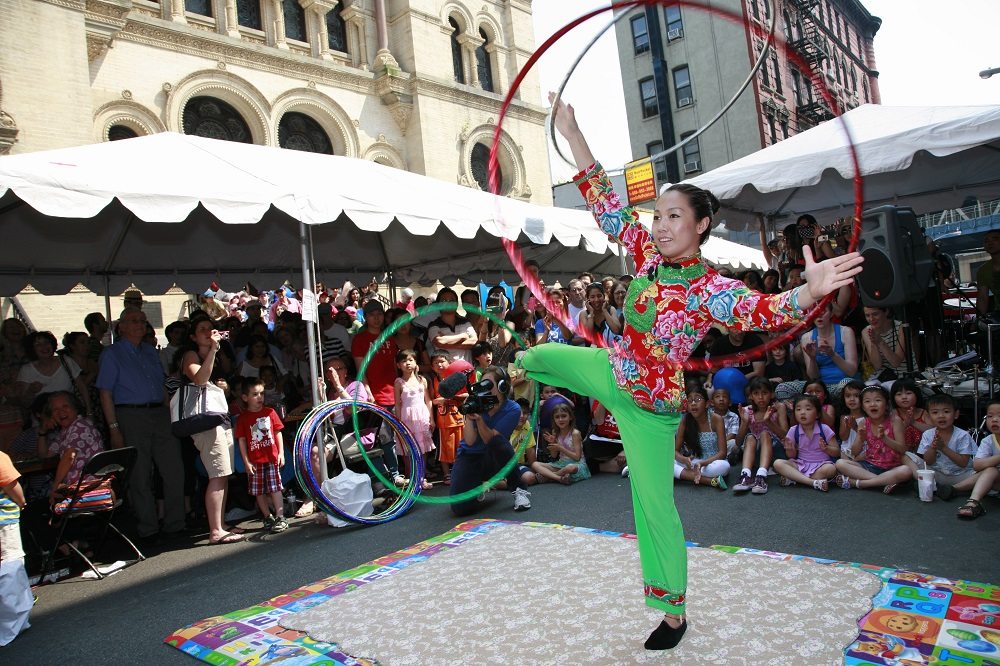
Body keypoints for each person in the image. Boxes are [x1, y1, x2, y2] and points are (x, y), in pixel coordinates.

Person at [519, 94, 863, 650]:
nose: (659, 224)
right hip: (613, 369)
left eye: (673, 215)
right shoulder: (645, 256)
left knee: (653, 507)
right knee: (537, 356)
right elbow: (603, 200)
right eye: (656, 214)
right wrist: (571, 128)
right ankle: (510, 376)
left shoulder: (711, 289)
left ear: (701, 225)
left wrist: (808, 291)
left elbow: (762, 311)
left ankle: (673, 614)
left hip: (653, 407)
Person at [96, 307, 186, 541]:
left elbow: (162, 385)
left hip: (159, 412)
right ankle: (149, 528)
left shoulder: (150, 351)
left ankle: (175, 523)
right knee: (140, 474)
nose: (139, 324)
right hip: (130, 415)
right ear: (121, 326)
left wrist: (170, 414)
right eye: (134, 321)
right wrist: (114, 428)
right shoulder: (112, 354)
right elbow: (105, 393)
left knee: (173, 469)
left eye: (143, 321)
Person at [180, 316, 241, 545]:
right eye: (202, 329)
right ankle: (215, 530)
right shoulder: (191, 356)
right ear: (193, 337)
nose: (208, 332)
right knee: (216, 473)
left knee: (224, 471)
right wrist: (213, 351)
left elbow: (225, 372)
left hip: (219, 418)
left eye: (210, 328)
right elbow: (199, 379)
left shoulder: (213, 355)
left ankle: (221, 523)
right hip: (205, 424)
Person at [448, 366, 532, 515]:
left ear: (502, 386)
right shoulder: (475, 402)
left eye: (489, 384)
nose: (484, 388)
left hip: (494, 458)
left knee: (498, 442)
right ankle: (476, 487)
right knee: (460, 509)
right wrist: (469, 414)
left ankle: (519, 490)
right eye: (482, 384)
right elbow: (470, 441)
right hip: (470, 456)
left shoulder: (513, 409)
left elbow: (490, 439)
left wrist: (479, 419)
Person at [351, 299, 402, 485]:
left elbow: (394, 367)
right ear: (365, 317)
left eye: (379, 313)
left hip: (393, 393)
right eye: (372, 314)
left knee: (393, 437)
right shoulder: (360, 339)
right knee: (377, 439)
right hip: (374, 396)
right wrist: (368, 392)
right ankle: (388, 476)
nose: (376, 318)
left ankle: (395, 474)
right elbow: (360, 368)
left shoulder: (389, 337)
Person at [834, 385, 911, 493]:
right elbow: (854, 452)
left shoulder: (895, 421)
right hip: (870, 466)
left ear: (886, 404)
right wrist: (861, 438)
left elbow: (903, 449)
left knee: (906, 471)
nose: (873, 404)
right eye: (867, 401)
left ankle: (859, 483)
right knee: (840, 463)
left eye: (878, 400)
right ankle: (884, 482)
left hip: (892, 467)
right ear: (863, 407)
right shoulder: (863, 423)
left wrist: (885, 438)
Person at [234, 378, 286, 533]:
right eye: (255, 394)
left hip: (271, 457)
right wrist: (246, 461)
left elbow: (278, 433)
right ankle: (267, 516)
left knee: (276, 487)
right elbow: (242, 441)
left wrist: (281, 453)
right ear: (245, 398)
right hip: (255, 461)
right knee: (259, 491)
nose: (260, 397)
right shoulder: (243, 418)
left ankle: (280, 516)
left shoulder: (270, 412)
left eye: (261, 393)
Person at [904, 394, 977, 501]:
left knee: (987, 472)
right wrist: (933, 448)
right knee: (906, 456)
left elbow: (963, 463)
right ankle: (929, 483)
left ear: (956, 414)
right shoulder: (928, 434)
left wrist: (943, 447)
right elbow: (928, 462)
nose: (941, 416)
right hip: (936, 474)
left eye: (946, 412)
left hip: (960, 476)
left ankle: (952, 489)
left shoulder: (963, 435)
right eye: (935, 412)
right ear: (929, 416)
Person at [15, 331, 92, 417]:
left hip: (70, 419)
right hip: (44, 423)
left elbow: (82, 387)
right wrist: (31, 390)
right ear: (32, 349)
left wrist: (89, 412)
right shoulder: (26, 370)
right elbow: (24, 403)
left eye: (46, 342)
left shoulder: (66, 361)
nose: (44, 347)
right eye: (38, 344)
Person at [732, 377, 788, 495]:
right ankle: (746, 476)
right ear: (751, 396)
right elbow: (738, 442)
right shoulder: (747, 411)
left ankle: (761, 477)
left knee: (764, 434)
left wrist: (768, 422)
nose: (761, 397)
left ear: (771, 394)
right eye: (756, 394)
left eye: (764, 393)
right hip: (756, 455)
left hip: (776, 452)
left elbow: (785, 435)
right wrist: (745, 422)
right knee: (750, 437)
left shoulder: (778, 408)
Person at [773, 394, 839, 491]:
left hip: (821, 465)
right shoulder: (793, 430)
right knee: (777, 463)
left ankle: (796, 479)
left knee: (831, 469)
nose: (802, 413)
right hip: (801, 464)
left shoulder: (824, 428)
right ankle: (813, 482)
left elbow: (837, 451)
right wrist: (790, 449)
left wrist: (826, 448)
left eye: (808, 409)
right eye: (798, 410)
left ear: (817, 414)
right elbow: (791, 456)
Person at [0, 449, 31, 646]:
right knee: (11, 564)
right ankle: (12, 623)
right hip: (4, 520)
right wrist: (22, 502)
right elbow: (12, 485)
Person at [393, 349, 434, 490]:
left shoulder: (422, 380)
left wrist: (431, 419)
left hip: (422, 416)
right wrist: (398, 422)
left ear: (416, 362)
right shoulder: (399, 382)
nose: (407, 363)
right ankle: (413, 480)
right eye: (403, 361)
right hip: (407, 418)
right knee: (409, 450)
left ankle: (422, 478)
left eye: (410, 360)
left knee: (423, 449)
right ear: (398, 365)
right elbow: (398, 404)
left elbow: (428, 401)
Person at [673, 387, 728, 489]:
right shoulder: (685, 420)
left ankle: (687, 475)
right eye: (690, 401)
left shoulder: (716, 419)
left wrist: (702, 463)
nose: (693, 403)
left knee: (724, 467)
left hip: (711, 463)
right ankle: (709, 481)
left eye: (697, 399)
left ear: (707, 403)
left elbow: (722, 453)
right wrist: (685, 459)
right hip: (694, 462)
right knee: (667, 463)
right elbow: (675, 451)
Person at [800, 302, 859, 391]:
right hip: (821, 386)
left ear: (831, 313)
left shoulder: (846, 332)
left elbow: (852, 371)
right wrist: (812, 358)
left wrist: (832, 354)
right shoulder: (806, 338)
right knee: (783, 389)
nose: (819, 315)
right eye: (815, 312)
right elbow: (813, 377)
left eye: (823, 311)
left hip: (846, 383)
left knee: (843, 386)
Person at [531, 401, 590, 484]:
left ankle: (548, 477)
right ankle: (558, 478)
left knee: (570, 468)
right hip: (561, 464)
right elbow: (554, 455)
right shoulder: (555, 432)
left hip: (576, 464)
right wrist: (552, 442)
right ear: (554, 419)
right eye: (557, 417)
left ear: (570, 417)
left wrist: (560, 448)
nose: (560, 419)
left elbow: (577, 457)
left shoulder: (575, 433)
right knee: (535, 464)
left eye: (564, 416)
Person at [960, 400, 1000, 519]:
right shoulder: (988, 440)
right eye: (990, 416)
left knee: (990, 470)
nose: (994, 419)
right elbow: (977, 465)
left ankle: (955, 489)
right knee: (990, 471)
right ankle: (973, 502)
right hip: (996, 481)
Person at [429, 353, 464, 486]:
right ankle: (447, 474)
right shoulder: (433, 380)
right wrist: (443, 399)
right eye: (436, 363)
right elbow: (432, 400)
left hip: (459, 418)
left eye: (442, 361)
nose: (439, 365)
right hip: (443, 420)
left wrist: (452, 397)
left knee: (462, 447)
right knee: (445, 449)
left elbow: (465, 395)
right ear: (432, 367)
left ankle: (461, 471)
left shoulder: (456, 378)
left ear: (449, 363)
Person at [860, 306, 914, 381]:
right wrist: (874, 343)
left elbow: (896, 363)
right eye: (867, 315)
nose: (871, 319)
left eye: (875, 314)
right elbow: (877, 365)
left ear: (886, 311)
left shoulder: (902, 328)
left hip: (905, 376)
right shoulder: (867, 331)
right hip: (884, 378)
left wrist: (880, 341)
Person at [425, 288, 477, 364]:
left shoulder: (465, 322)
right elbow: (439, 341)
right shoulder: (434, 325)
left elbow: (474, 341)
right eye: (444, 300)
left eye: (451, 300)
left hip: (467, 371)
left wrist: (447, 343)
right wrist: (463, 336)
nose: (448, 303)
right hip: (446, 372)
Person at [890, 378, 932, 453]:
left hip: (925, 453)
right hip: (901, 453)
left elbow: (933, 431)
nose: (904, 397)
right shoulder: (893, 414)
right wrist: (905, 424)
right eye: (899, 394)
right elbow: (890, 435)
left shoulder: (924, 413)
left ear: (917, 394)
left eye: (908, 393)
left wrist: (913, 422)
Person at [579, 282, 623, 348]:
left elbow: (616, 330)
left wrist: (605, 311)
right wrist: (591, 313)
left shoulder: (611, 309)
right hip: (591, 353)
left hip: (610, 353)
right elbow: (587, 335)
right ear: (588, 299)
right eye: (592, 297)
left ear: (604, 296)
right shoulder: (584, 314)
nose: (596, 300)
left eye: (599, 296)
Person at [975, 229, 1000, 317]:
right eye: (986, 241)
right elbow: (982, 297)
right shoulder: (983, 270)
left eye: (995, 239)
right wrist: (979, 320)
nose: (990, 243)